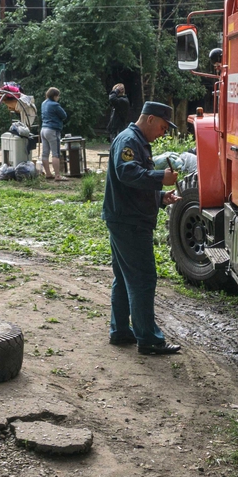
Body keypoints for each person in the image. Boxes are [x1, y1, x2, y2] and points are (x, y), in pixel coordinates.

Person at [102, 100, 180, 355]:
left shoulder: (136, 141)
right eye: (162, 127)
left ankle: (121, 331)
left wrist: (159, 197)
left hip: (125, 217)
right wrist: (160, 177)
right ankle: (148, 339)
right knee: (143, 279)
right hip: (130, 222)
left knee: (125, 278)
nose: (163, 133)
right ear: (149, 120)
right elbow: (126, 173)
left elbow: (133, 186)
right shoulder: (129, 141)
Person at [39, 86, 68, 180]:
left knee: (45, 153)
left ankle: (48, 173)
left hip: (43, 129)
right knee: (55, 154)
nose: (58, 98)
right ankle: (57, 175)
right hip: (52, 130)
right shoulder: (55, 105)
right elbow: (64, 115)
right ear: (55, 96)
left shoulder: (43, 103)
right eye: (58, 96)